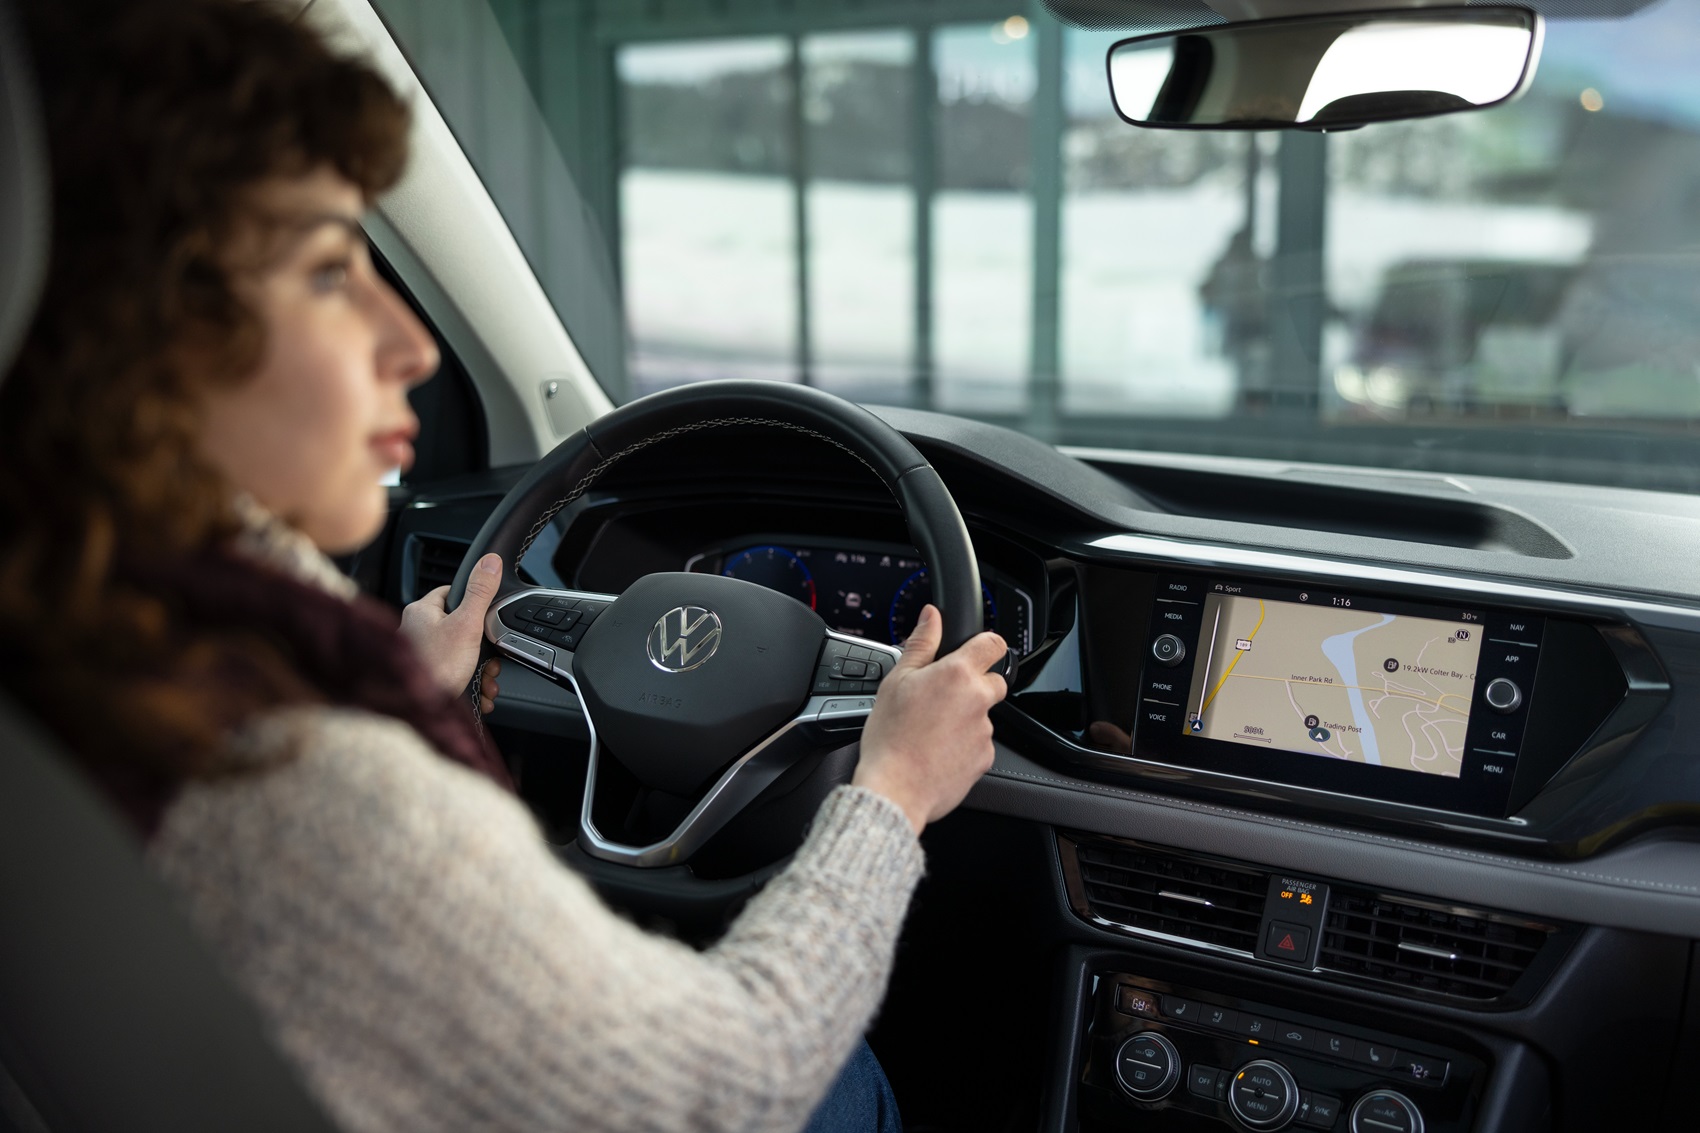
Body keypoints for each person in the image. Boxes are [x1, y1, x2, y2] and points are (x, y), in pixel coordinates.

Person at [0, 2, 1010, 1131]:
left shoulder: (85, 651)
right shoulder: (298, 772)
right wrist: (892, 788)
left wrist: (412, 694)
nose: (414, 344)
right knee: (839, 1083)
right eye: (334, 271)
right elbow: (730, 1079)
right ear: (133, 327)